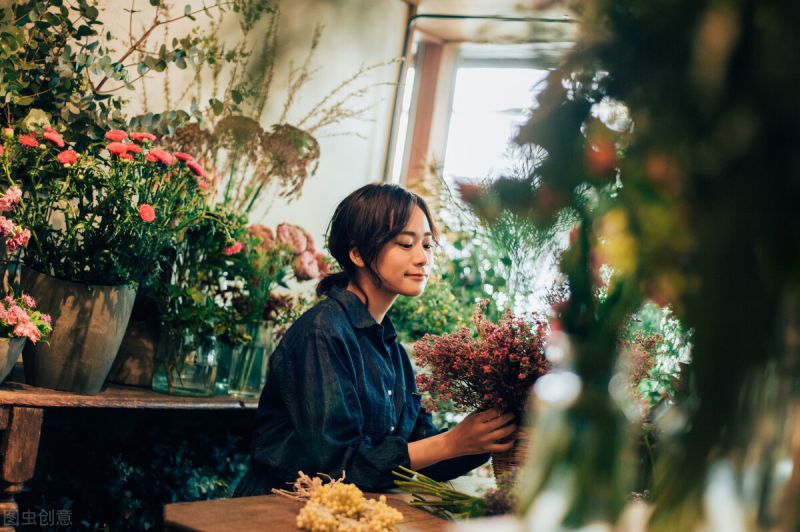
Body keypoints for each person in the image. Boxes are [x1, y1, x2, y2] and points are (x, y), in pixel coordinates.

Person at [234, 183, 517, 495]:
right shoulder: (323, 333)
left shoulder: (392, 351)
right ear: (357, 253)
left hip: (346, 516)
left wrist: (487, 433)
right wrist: (452, 442)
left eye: (427, 245)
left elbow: (419, 454)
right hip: (276, 512)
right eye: (406, 244)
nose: (423, 258)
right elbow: (339, 467)